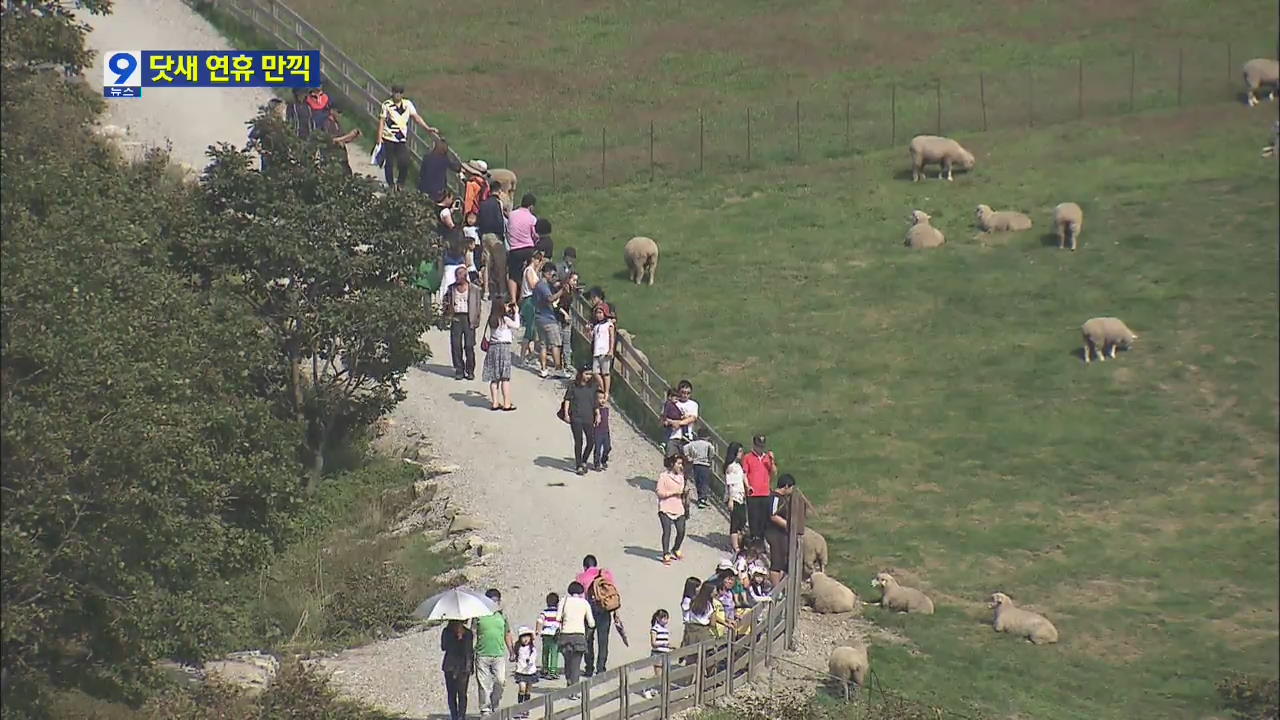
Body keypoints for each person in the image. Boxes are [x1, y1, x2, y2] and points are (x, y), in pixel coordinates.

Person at [377, 84, 437, 189]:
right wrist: (379, 137)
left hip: (401, 139)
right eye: (396, 93)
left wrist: (427, 128)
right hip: (388, 138)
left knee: (404, 161)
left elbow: (416, 117)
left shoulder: (407, 104)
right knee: (389, 163)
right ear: (392, 93)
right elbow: (382, 121)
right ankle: (391, 184)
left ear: (402, 94)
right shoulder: (386, 105)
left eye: (400, 93)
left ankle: (400, 183)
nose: (397, 95)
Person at [576, 555, 619, 677]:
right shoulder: (606, 574)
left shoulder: (581, 577)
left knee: (588, 640)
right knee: (603, 640)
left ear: (585, 566)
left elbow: (580, 597)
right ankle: (601, 668)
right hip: (605, 610)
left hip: (589, 610)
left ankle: (589, 667)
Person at [473, 589, 514, 716]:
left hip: (499, 654)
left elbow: (507, 633)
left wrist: (511, 651)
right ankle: (485, 709)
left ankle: (494, 703)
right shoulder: (478, 615)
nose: (493, 602)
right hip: (482, 654)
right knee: (483, 684)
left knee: (500, 681)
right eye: (491, 600)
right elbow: (473, 633)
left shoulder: (502, 615)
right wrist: (470, 651)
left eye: (496, 600)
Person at [556, 581, 595, 698]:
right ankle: (574, 690)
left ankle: (569, 682)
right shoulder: (584, 603)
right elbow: (591, 623)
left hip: (565, 635)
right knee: (576, 664)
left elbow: (558, 618)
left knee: (568, 662)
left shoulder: (564, 601)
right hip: (579, 636)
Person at [442, 266, 481, 381]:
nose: (456, 278)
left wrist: (476, 320)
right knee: (456, 345)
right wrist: (447, 313)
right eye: (456, 275)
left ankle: (470, 370)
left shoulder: (474, 289)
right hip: (456, 317)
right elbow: (445, 301)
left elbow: (478, 306)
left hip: (469, 317)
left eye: (459, 275)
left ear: (465, 276)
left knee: (469, 345)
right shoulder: (451, 288)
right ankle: (459, 369)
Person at [561, 366, 599, 475]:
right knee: (579, 441)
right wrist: (566, 413)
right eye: (586, 374)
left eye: (590, 374)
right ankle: (579, 465)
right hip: (576, 417)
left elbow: (595, 401)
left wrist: (598, 413)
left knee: (591, 441)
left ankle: (584, 460)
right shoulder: (573, 385)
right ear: (581, 373)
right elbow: (567, 399)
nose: (588, 377)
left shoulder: (593, 386)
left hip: (589, 417)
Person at [483, 300, 520, 410]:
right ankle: (506, 403)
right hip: (504, 348)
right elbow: (517, 325)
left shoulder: (492, 319)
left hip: (493, 348)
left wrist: (507, 309)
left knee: (494, 377)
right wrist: (516, 312)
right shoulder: (505, 319)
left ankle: (495, 403)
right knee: (505, 377)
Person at [741, 435, 778, 542]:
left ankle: (761, 538)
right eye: (758, 446)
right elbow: (744, 473)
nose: (761, 448)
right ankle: (754, 537)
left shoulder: (767, 458)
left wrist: (772, 460)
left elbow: (774, 472)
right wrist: (748, 486)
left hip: (765, 492)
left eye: (762, 446)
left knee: (764, 518)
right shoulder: (748, 457)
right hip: (753, 493)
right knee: (754, 517)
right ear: (754, 445)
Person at [533, 263, 567, 379]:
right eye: (552, 274)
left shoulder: (538, 285)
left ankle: (543, 369)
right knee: (555, 344)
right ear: (547, 273)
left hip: (538, 318)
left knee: (543, 345)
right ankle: (558, 369)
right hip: (548, 319)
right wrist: (562, 291)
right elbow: (550, 299)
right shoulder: (543, 286)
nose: (553, 276)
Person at [505, 193, 539, 303]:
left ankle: (513, 299)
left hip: (514, 249)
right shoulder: (532, 219)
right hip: (528, 248)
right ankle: (524, 297)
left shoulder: (512, 215)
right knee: (528, 272)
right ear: (531, 206)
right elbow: (535, 235)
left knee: (513, 275)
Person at [656, 454, 688, 566]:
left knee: (681, 530)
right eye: (678, 463)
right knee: (667, 531)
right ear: (672, 464)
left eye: (681, 463)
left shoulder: (681, 477)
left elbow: (682, 491)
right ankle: (665, 553)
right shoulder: (664, 476)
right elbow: (659, 492)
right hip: (665, 506)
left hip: (678, 506)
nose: (680, 466)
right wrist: (673, 493)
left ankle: (676, 548)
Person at [766, 474, 797, 587]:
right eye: (792, 487)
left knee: (782, 562)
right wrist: (788, 525)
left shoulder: (783, 499)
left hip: (781, 534)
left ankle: (780, 587)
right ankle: (776, 590)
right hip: (774, 533)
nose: (792, 490)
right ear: (786, 486)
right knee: (776, 562)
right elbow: (773, 515)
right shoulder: (775, 498)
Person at [441, 620, 474, 720]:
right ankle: (454, 716)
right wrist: (454, 637)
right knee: (451, 693)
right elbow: (444, 647)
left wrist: (461, 638)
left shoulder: (468, 633)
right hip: (450, 666)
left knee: (462, 693)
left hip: (463, 666)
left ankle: (461, 716)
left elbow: (468, 650)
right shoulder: (446, 631)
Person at [517, 251, 545, 367]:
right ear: (533, 259)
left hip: (533, 300)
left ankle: (530, 354)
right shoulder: (529, 270)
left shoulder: (533, 271)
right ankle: (522, 358)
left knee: (533, 330)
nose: (538, 262)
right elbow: (533, 285)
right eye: (537, 259)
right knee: (529, 329)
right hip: (529, 300)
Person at [663, 380, 699, 458]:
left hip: (687, 438)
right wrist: (671, 422)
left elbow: (692, 418)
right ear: (679, 392)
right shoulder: (673, 402)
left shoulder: (693, 404)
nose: (685, 395)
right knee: (671, 461)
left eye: (688, 393)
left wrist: (678, 423)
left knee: (687, 463)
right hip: (673, 437)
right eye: (683, 392)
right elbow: (665, 418)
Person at [419, 136, 461, 202]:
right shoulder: (444, 159)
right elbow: (456, 168)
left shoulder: (427, 157)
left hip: (425, 187)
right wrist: (458, 161)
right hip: (438, 190)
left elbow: (421, 173)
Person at [723, 442, 748, 552]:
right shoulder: (731, 467)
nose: (741, 454)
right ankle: (736, 546)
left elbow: (743, 478)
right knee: (735, 521)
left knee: (742, 520)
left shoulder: (738, 466)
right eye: (740, 451)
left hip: (741, 496)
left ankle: (740, 542)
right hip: (734, 497)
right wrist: (731, 500)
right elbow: (731, 484)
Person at [555, 270, 578, 375]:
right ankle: (559, 364)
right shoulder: (562, 290)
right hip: (559, 319)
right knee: (559, 342)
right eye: (573, 280)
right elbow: (556, 305)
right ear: (568, 279)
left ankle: (567, 363)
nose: (575, 282)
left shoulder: (571, 290)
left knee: (567, 342)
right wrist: (565, 314)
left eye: (576, 281)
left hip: (566, 320)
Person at [682, 431, 714, 509]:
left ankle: (700, 497)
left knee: (698, 481)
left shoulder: (693, 443)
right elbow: (712, 452)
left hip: (695, 464)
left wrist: (688, 457)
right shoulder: (708, 444)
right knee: (704, 482)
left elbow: (685, 448)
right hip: (704, 464)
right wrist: (710, 458)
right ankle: (702, 499)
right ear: (707, 437)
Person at [644, 609, 671, 699]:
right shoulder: (654, 629)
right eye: (663, 618)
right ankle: (646, 688)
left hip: (665, 654)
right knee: (658, 675)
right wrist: (664, 644)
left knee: (665, 674)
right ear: (658, 618)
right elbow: (653, 643)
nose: (666, 620)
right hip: (657, 654)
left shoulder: (665, 629)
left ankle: (654, 689)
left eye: (667, 618)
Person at [590, 304, 615, 399]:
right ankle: (603, 388)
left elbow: (612, 338)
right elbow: (592, 337)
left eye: (600, 313)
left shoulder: (609, 325)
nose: (598, 315)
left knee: (605, 373)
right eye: (597, 313)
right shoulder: (596, 326)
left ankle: (606, 393)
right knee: (595, 372)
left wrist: (611, 350)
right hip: (596, 351)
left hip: (605, 351)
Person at [512, 627, 538, 717]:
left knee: (528, 691)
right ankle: (520, 707)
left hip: (530, 672)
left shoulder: (532, 649)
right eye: (523, 637)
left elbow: (533, 658)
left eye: (528, 636)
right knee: (522, 689)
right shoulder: (518, 648)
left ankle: (526, 708)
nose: (526, 639)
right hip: (520, 672)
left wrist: (530, 661)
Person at [681, 581, 717, 648]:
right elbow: (713, 623)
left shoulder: (692, 601)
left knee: (690, 653)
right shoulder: (710, 605)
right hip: (703, 632)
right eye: (714, 591)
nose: (716, 593)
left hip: (691, 630)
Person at [535, 592, 561, 680]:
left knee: (545, 652)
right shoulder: (559, 612)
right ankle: (553, 671)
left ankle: (545, 669)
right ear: (557, 602)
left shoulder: (544, 612)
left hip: (545, 634)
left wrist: (538, 630)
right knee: (554, 652)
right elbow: (561, 623)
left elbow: (539, 621)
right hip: (555, 635)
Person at [592, 390, 611, 471]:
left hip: (606, 431)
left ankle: (604, 460)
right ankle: (596, 464)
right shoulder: (595, 410)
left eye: (603, 398)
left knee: (608, 447)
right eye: (599, 398)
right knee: (598, 448)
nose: (602, 400)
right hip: (597, 432)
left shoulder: (606, 409)